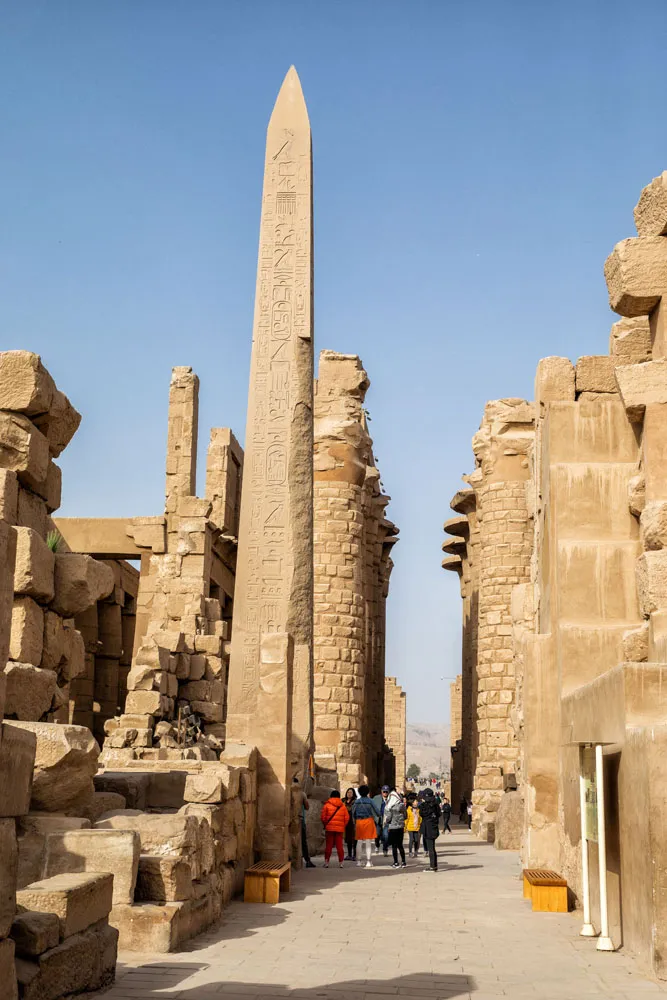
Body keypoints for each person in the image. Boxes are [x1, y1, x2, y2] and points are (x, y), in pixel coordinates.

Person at [352, 784, 381, 868]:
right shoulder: (370, 801)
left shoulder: (357, 802)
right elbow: (378, 812)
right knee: (368, 841)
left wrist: (354, 821)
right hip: (368, 821)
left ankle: (359, 861)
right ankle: (368, 861)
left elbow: (353, 813)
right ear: (368, 792)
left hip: (359, 822)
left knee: (359, 841)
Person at [320, 790, 349, 868]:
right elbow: (346, 818)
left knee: (328, 846)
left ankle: (326, 862)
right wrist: (342, 825)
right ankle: (341, 862)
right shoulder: (342, 806)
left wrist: (326, 824)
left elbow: (323, 817)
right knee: (339, 846)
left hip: (329, 828)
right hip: (339, 829)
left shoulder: (327, 805)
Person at [294, 776, 316, 868]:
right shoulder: (301, 793)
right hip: (300, 818)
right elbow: (307, 807)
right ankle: (307, 860)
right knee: (303, 841)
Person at [383, 788, 407, 868]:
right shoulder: (402, 805)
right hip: (400, 827)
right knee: (400, 845)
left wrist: (387, 821)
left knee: (394, 846)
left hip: (393, 827)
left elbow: (388, 818)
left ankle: (396, 862)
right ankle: (403, 862)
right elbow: (405, 816)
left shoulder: (389, 807)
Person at [419, 788, 441, 872]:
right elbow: (439, 814)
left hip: (428, 829)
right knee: (432, 848)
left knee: (430, 848)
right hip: (434, 827)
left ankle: (432, 867)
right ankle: (434, 866)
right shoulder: (436, 805)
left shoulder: (425, 806)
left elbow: (422, 813)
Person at [372, 785, 390, 855]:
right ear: (381, 791)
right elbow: (372, 807)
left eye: (386, 791)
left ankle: (385, 849)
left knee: (386, 835)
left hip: (386, 820)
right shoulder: (376, 798)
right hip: (378, 820)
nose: (385, 793)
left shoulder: (390, 799)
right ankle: (377, 845)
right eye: (384, 791)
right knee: (377, 834)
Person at [344, 787, 358, 860]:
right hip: (346, 823)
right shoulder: (343, 801)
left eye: (351, 792)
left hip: (353, 822)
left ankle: (354, 855)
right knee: (348, 839)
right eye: (348, 792)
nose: (349, 794)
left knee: (354, 839)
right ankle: (349, 854)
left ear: (353, 794)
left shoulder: (355, 802)